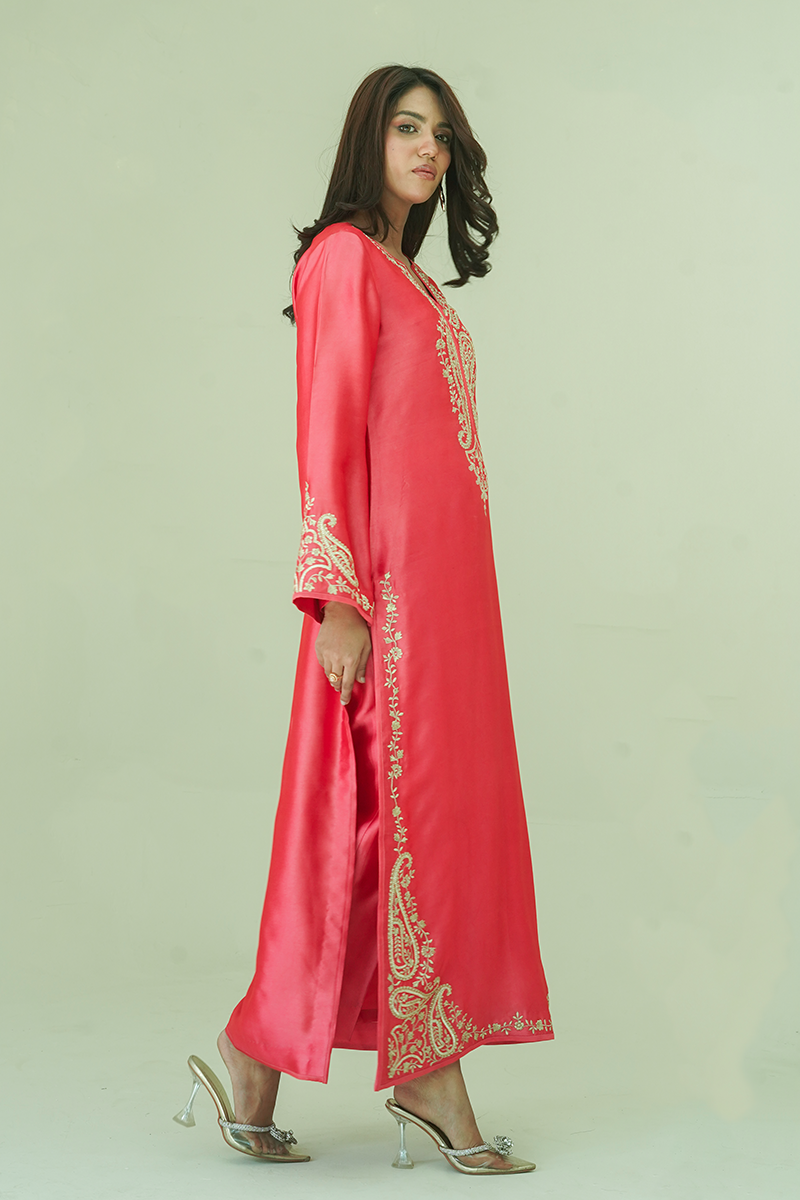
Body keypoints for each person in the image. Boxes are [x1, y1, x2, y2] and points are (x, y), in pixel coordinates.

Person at [173, 64, 553, 1176]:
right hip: (386, 596)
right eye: (406, 127)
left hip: (447, 599)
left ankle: (253, 1062)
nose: (429, 148)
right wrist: (335, 598)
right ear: (366, 141)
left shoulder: (411, 277)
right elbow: (327, 429)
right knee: (383, 813)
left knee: (386, 825)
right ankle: (427, 1077)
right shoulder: (343, 257)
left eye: (442, 133)